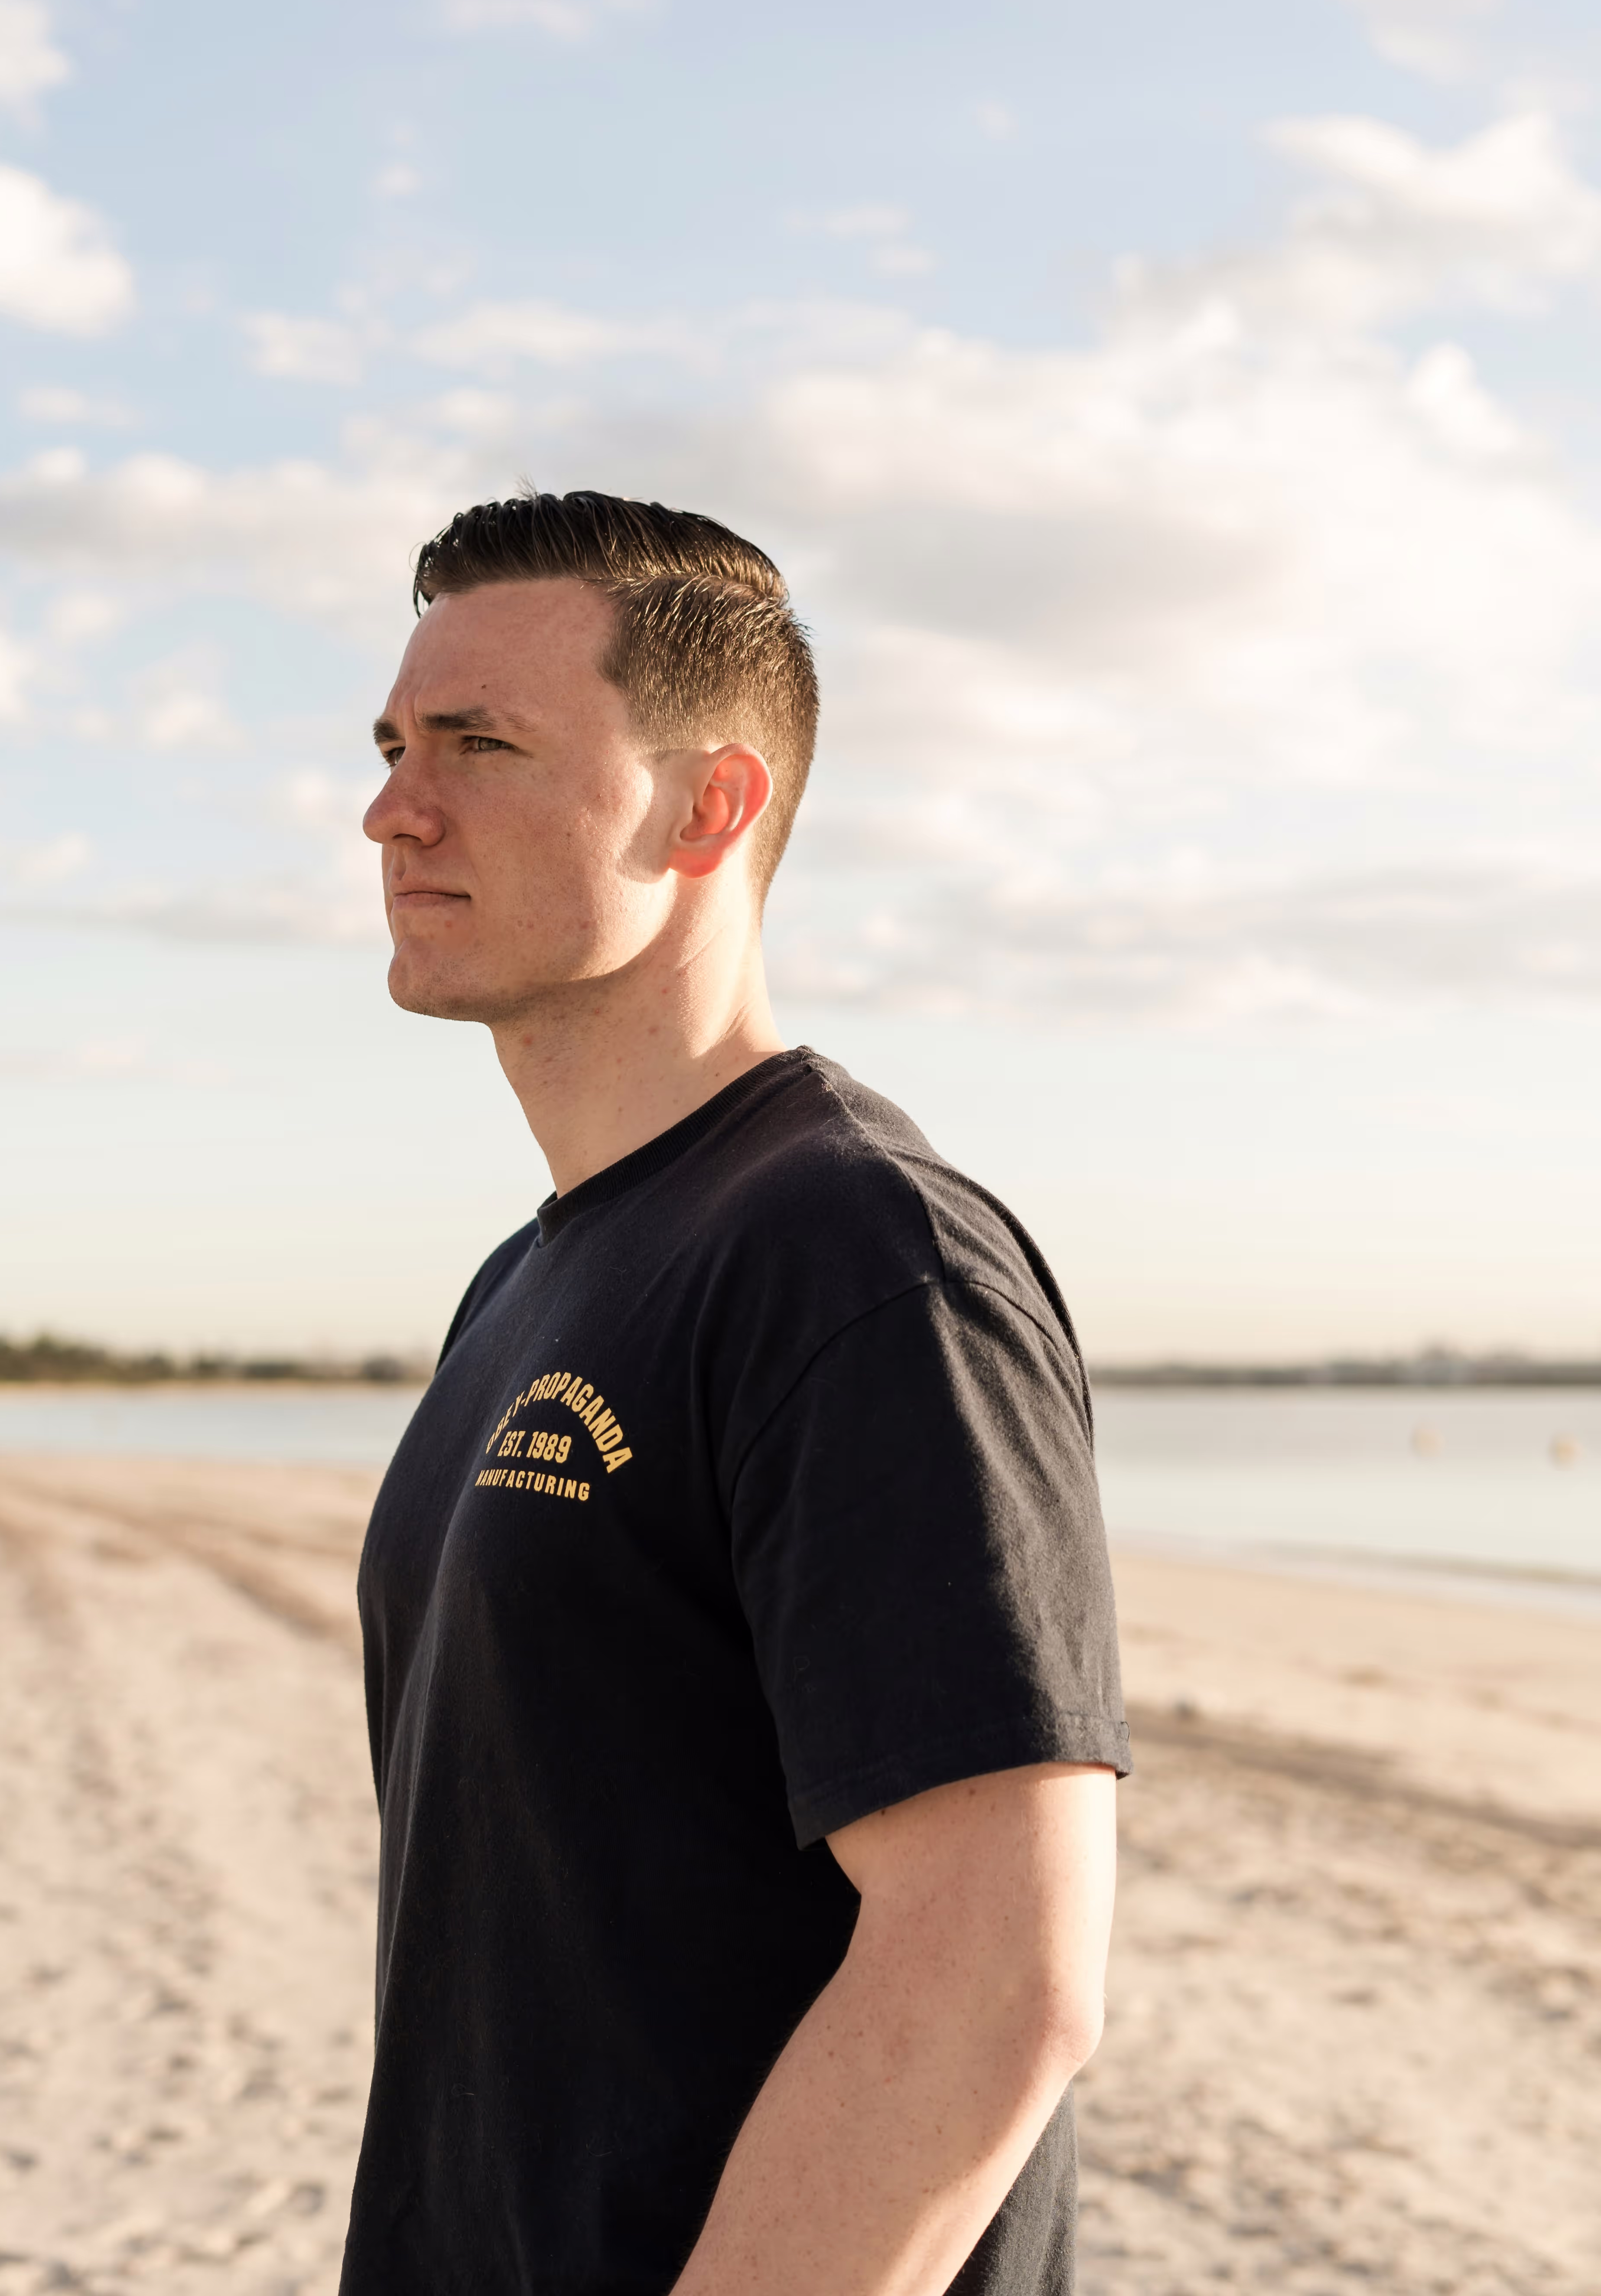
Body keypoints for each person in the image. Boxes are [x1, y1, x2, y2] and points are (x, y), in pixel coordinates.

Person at [345, 489, 1130, 2296]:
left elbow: (992, 1983)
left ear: (712, 807)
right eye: (393, 745)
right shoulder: (537, 1277)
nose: (395, 806)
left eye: (481, 743)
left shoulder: (857, 1255)